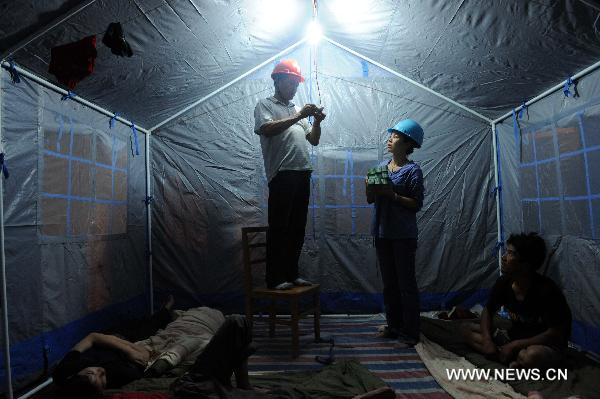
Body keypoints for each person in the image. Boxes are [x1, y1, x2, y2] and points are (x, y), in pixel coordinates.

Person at [51, 299, 252, 398]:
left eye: (91, 373)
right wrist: (151, 361)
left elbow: (94, 337)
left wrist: (129, 349)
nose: (100, 371)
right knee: (200, 340)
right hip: (152, 354)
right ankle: (171, 328)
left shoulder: (65, 370)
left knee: (147, 325)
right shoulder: (120, 381)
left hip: (129, 341)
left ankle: (166, 312)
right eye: (101, 380)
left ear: (76, 376)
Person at [254, 59, 326, 290]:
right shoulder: (265, 105)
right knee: (280, 227)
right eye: (291, 82)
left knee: (297, 226)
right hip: (282, 173)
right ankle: (274, 278)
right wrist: (299, 116)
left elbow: (313, 140)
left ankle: (291, 273)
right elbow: (266, 129)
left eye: (297, 84)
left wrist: (315, 122)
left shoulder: (295, 109)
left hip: (302, 171)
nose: (294, 87)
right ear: (278, 80)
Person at [463, 232, 572, 369]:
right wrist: (487, 340)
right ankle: (510, 357)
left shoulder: (546, 291)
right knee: (467, 330)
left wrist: (515, 345)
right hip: (514, 337)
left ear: (525, 263)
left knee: (532, 355)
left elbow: (555, 333)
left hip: (543, 344)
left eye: (510, 253)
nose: (503, 258)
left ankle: (512, 356)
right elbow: (488, 310)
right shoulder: (504, 283)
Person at [366, 119, 425, 348]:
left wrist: (393, 196)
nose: (389, 139)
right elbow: (371, 199)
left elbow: (416, 204)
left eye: (396, 137)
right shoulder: (381, 167)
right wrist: (369, 188)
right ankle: (394, 326)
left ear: (408, 143)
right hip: (382, 232)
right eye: (390, 136)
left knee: (406, 285)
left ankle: (410, 333)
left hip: (403, 235)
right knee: (389, 284)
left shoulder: (413, 171)